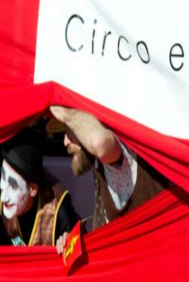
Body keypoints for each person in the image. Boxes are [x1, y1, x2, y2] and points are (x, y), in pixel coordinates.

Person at [49, 106, 169, 253]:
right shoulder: (99, 170)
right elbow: (106, 240)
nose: (65, 141)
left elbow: (99, 143)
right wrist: (74, 242)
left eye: (71, 129)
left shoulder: (125, 151)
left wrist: (65, 113)